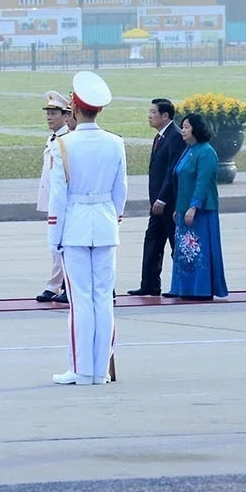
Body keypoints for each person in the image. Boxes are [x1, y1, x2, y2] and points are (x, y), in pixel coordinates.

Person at [47, 71, 127, 386]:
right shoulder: (115, 142)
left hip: (76, 225)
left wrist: (54, 238)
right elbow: (120, 191)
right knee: (102, 298)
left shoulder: (63, 144)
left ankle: (81, 370)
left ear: (75, 110)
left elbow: (58, 197)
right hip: (105, 223)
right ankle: (99, 370)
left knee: (80, 300)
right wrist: (112, 218)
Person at [167, 112, 229, 300]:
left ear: (196, 129)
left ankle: (200, 288)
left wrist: (194, 206)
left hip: (201, 210)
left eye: (186, 127)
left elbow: (203, 182)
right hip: (183, 208)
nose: (183, 131)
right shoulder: (189, 150)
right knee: (184, 251)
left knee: (197, 250)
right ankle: (183, 287)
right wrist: (178, 208)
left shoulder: (206, 152)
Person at [128, 98, 183, 297]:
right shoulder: (160, 136)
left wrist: (163, 198)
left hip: (168, 203)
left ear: (165, 115)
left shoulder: (175, 136)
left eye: (153, 112)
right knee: (152, 241)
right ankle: (150, 284)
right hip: (157, 203)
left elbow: (172, 171)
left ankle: (182, 285)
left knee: (176, 245)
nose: (149, 116)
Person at [35, 91, 74, 303]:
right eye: (48, 113)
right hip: (53, 200)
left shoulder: (68, 140)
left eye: (54, 113)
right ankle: (54, 284)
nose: (49, 117)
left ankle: (61, 285)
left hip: (63, 203)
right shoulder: (54, 138)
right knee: (55, 246)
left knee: (61, 246)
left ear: (65, 115)